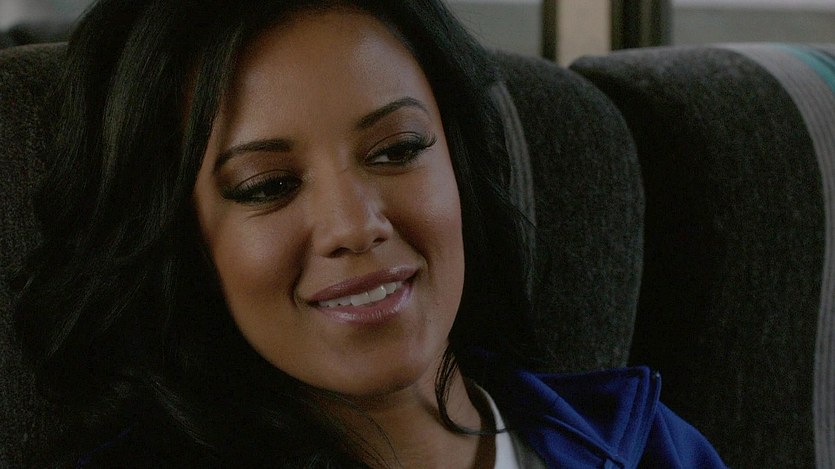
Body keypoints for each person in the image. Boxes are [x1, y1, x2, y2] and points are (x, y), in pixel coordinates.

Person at [13, 0, 727, 467]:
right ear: (178, 243)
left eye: (397, 150)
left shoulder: (650, 445)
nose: (356, 225)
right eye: (268, 186)